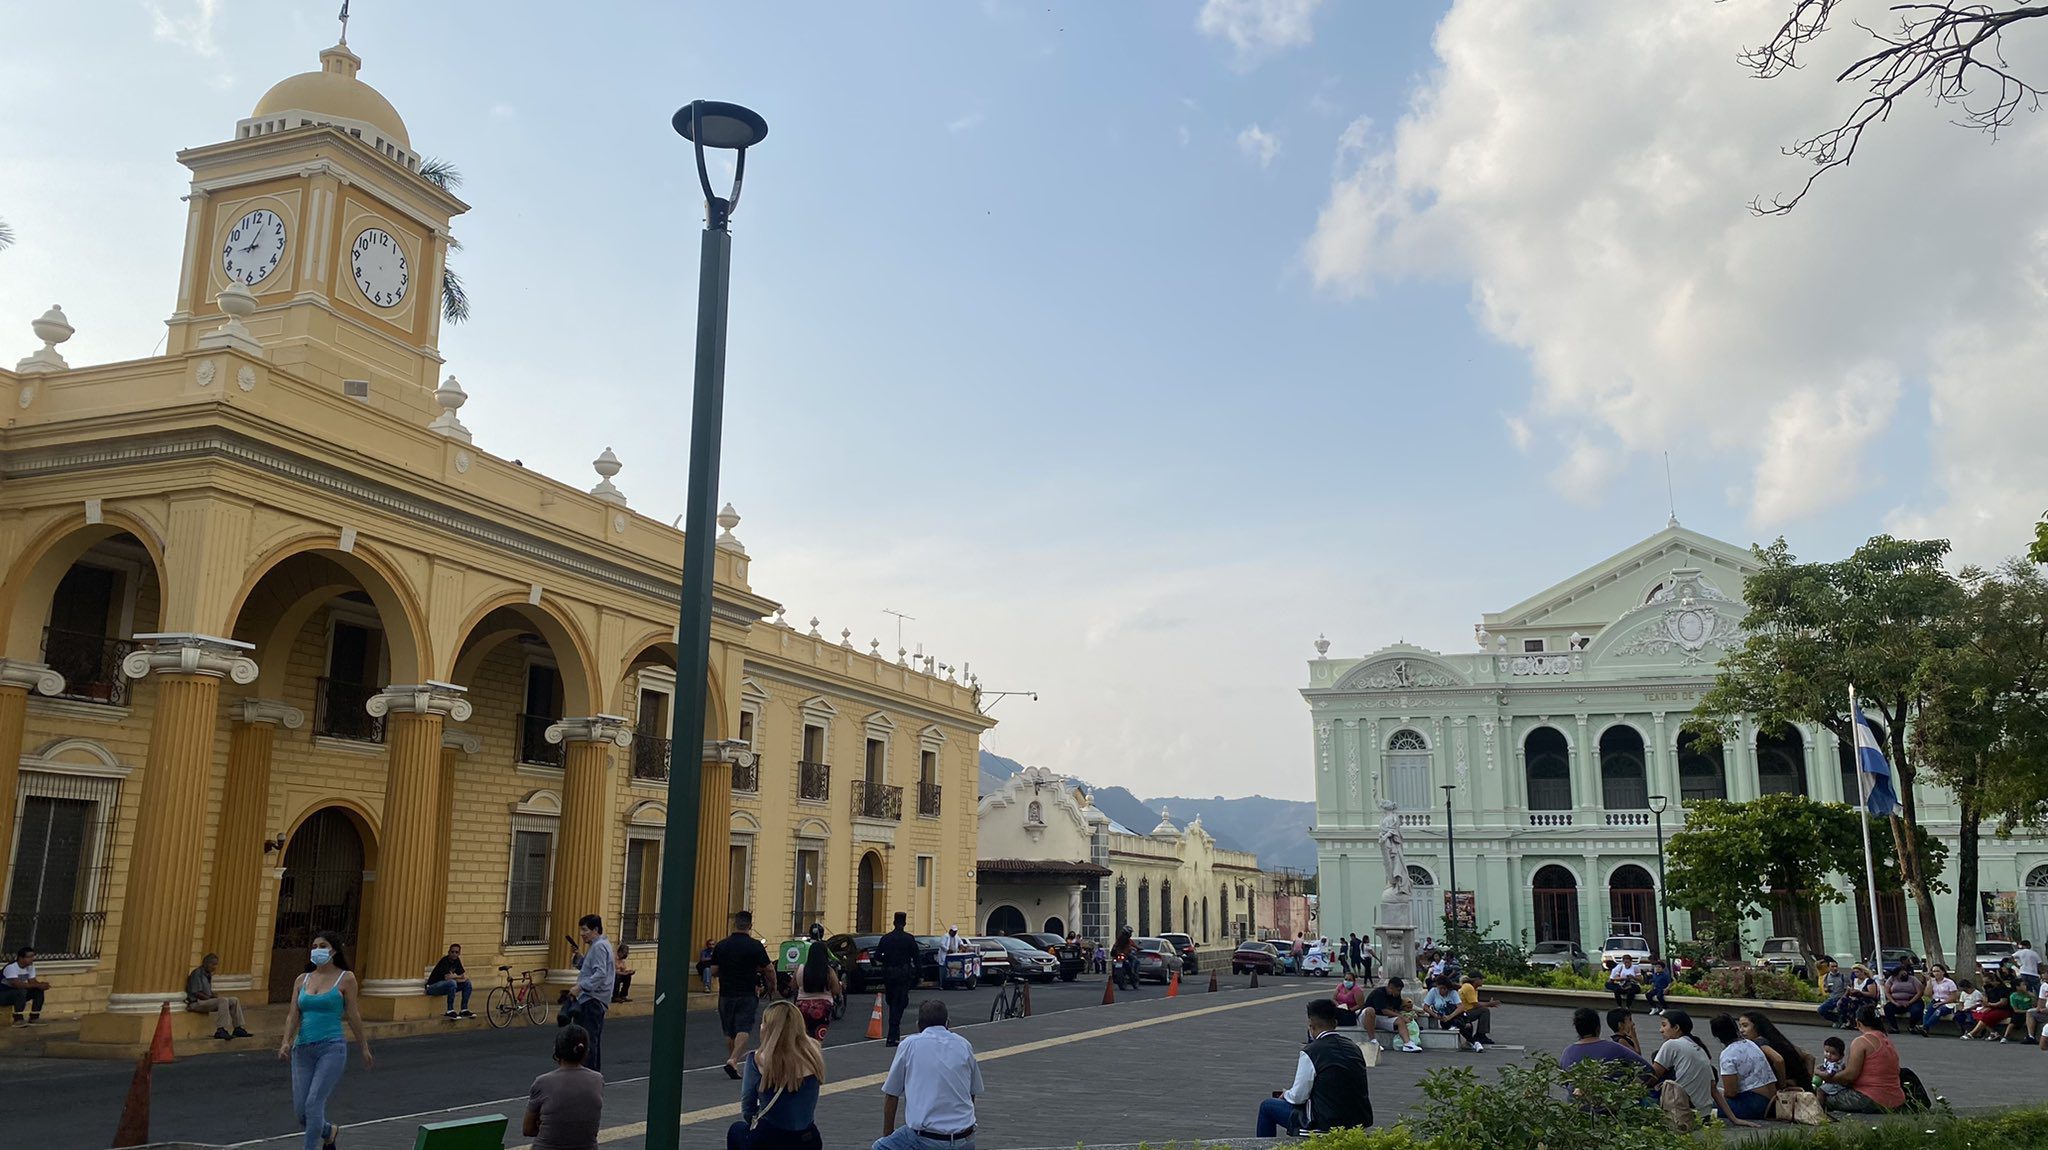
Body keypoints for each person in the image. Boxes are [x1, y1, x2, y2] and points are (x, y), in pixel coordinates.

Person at [277, 934, 373, 1150]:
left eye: (323, 946)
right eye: (314, 946)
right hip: (302, 1050)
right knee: (302, 1113)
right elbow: (293, 1015)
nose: (317, 950)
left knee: (313, 1104)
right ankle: (329, 1131)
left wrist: (364, 1047)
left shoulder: (346, 978)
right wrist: (286, 1042)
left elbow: (353, 1015)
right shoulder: (302, 979)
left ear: (334, 951)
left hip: (331, 1047)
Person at [1254, 997, 1373, 1136]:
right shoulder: (1354, 1047)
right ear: (1335, 1023)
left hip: (1324, 1124)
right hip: (1356, 1122)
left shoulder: (1311, 1051)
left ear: (1311, 1025)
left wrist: (1286, 1094)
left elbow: (1298, 1096)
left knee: (1267, 1106)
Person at [875, 999, 981, 1150]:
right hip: (965, 1137)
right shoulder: (964, 1045)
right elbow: (972, 1094)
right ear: (948, 1023)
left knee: (881, 1147)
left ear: (918, 1025)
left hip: (926, 1139)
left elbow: (891, 1095)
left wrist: (888, 1134)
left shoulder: (910, 1044)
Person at [728, 1000, 826, 1150]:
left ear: (768, 1028)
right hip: (807, 1139)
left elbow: (748, 1106)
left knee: (735, 1130)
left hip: (770, 1139)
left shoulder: (757, 1059)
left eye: (763, 1023)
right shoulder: (813, 1053)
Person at [1648, 1009, 1755, 1129]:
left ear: (1676, 1027)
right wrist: (1734, 1119)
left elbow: (1651, 1077)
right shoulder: (1698, 1047)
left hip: (1683, 1114)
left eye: (1664, 1025)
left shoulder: (1671, 1044)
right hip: (1703, 1116)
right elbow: (1713, 1089)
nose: (1660, 1030)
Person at [714, 911, 774, 1079]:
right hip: (747, 992)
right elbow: (768, 968)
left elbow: (713, 970)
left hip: (725, 993)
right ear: (750, 925)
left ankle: (733, 1063)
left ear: (735, 924)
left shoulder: (721, 945)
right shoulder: (755, 946)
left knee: (729, 1030)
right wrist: (772, 985)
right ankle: (733, 1060)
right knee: (744, 1027)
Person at [526, 1023, 604, 1150]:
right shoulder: (597, 1080)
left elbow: (528, 1129)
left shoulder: (542, 1082)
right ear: (585, 1051)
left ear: (556, 1050)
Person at [1819, 1005, 1905, 1114]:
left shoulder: (1861, 1041)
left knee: (1823, 1096)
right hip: (1895, 1099)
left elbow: (1850, 1075)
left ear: (1858, 1023)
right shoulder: (1886, 1039)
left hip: (1871, 1098)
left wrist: (1827, 1076)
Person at [1560, 1006, 1654, 1094]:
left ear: (1577, 1029)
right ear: (1598, 1028)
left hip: (1577, 1107)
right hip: (1610, 1107)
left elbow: (1566, 1081)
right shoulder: (1615, 1048)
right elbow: (1647, 1070)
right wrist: (1627, 1092)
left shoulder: (1567, 1053)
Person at [1708, 1012, 1776, 1121]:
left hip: (1753, 1105)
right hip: (1771, 1101)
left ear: (1716, 1035)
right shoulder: (1751, 1043)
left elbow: (1731, 1093)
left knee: (1705, 1107)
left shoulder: (1728, 1055)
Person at [569, 914, 615, 1074]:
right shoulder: (599, 946)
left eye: (585, 930)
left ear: (595, 929)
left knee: (587, 1041)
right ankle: (591, 1076)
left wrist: (580, 987)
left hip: (592, 1000)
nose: (582, 934)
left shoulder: (599, 947)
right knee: (588, 1040)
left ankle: (588, 1077)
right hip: (593, 1000)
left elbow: (600, 974)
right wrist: (580, 958)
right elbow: (590, 970)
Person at [877, 911, 921, 1047]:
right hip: (903, 975)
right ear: (905, 923)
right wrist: (919, 975)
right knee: (900, 1003)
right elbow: (917, 958)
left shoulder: (886, 938)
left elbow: (877, 956)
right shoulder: (909, 939)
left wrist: (887, 960)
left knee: (892, 1002)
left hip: (889, 974)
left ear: (894, 922)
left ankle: (893, 1035)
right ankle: (894, 1034)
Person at [1740, 1010, 1813, 1089]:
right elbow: (1809, 1057)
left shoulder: (1759, 1042)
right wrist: (1807, 1081)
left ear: (1757, 1026)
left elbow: (1778, 1060)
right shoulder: (1779, 1040)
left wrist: (1782, 1085)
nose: (1741, 1030)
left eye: (1745, 1026)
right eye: (1740, 1026)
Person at [186, 952, 252, 1040]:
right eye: (212, 964)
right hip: (196, 1003)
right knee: (223, 1000)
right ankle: (221, 1029)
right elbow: (196, 992)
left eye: (216, 964)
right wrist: (210, 997)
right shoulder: (197, 973)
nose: (214, 967)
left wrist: (213, 995)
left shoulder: (208, 975)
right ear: (205, 963)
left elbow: (207, 991)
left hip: (205, 1001)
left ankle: (238, 1027)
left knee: (234, 1000)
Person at [795, 926, 842, 1041]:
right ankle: (814, 1056)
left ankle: (803, 1055)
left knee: (803, 1036)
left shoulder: (801, 969)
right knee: (817, 1038)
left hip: (802, 1006)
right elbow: (836, 991)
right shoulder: (828, 971)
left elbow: (793, 985)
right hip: (822, 1007)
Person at [1361, 977, 1422, 1053]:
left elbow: (1399, 1009)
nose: (1399, 993)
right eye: (1398, 990)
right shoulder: (1379, 993)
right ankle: (1373, 1041)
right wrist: (1401, 1016)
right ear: (1391, 987)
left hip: (1381, 1018)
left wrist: (1415, 1012)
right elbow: (1384, 1011)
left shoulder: (1396, 996)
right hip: (1367, 1017)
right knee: (1370, 1010)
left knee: (1400, 1020)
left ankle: (1408, 1044)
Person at [1, 947, 48, 1026]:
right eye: (29, 957)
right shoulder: (11, 967)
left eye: (33, 956)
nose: (32, 959)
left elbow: (32, 981)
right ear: (21, 958)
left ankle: (34, 1017)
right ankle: (18, 1019)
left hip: (18, 994)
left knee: (38, 991)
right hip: (3, 994)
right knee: (21, 991)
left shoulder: (30, 966)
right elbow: (17, 984)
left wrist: (40, 985)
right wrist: (38, 985)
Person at [426, 942, 474, 1019]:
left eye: (456, 952)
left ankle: (464, 1010)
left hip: (445, 987)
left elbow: (463, 976)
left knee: (467, 983)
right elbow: (447, 978)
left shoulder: (457, 961)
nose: (454, 954)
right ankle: (450, 1010)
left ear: (459, 953)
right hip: (432, 987)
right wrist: (457, 977)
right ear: (448, 952)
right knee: (452, 983)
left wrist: (455, 976)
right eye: (452, 952)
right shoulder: (444, 961)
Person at [1451, 973, 1498, 1048]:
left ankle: (1480, 1034)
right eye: (1481, 979)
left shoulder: (1473, 988)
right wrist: (1489, 1004)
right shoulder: (1468, 987)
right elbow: (1475, 1004)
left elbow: (1474, 1004)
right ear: (1476, 979)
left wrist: (1488, 1004)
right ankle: (1480, 1035)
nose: (1483, 981)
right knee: (1484, 1011)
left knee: (1484, 1010)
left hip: (1465, 1011)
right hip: (1462, 1013)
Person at [1962, 974, 2014, 1039]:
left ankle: (1972, 1033)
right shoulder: (1988, 988)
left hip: (2003, 1009)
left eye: (1987, 982)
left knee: (1986, 1017)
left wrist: (1989, 1005)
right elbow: (1986, 1001)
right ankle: (1993, 1032)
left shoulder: (2002, 988)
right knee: (1978, 1014)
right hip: (1992, 1008)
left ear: (1994, 981)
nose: (1986, 984)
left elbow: (2003, 1003)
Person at [1882, 965, 1923, 1034]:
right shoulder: (1891, 979)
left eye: (1905, 973)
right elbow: (1887, 992)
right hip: (1896, 1002)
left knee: (1916, 1010)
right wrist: (1894, 1002)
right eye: (1901, 974)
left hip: (1912, 1001)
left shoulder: (1913, 979)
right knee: (1887, 1008)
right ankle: (1894, 1027)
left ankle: (1912, 1026)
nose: (1904, 975)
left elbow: (1919, 992)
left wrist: (1910, 1002)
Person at [1920, 963, 1958, 1034]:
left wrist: (1941, 1003)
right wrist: (1929, 982)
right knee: (1926, 1011)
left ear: (1943, 972)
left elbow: (1954, 997)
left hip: (1947, 1003)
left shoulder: (1949, 982)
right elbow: (1927, 994)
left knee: (1938, 1011)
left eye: (1938, 971)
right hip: (1935, 1001)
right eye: (1934, 971)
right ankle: (1925, 1029)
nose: (1936, 973)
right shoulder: (1933, 982)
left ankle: (1925, 1026)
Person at [1816, 958, 1849, 1026]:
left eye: (1836, 966)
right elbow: (1825, 987)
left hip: (1842, 997)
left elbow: (1847, 989)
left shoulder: (1843, 976)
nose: (1835, 968)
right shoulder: (1826, 977)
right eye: (1832, 967)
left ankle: (1844, 1021)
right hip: (1832, 998)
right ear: (1828, 967)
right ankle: (1836, 1019)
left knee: (1842, 1007)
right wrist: (1826, 989)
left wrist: (1842, 998)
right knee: (1821, 1010)